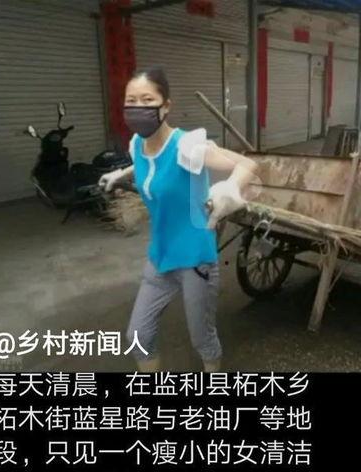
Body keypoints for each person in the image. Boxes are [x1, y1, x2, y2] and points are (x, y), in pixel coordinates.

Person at [99, 66, 258, 373]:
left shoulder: (189, 146)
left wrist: (229, 188)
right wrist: (121, 174)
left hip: (195, 260)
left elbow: (247, 165)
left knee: (202, 339)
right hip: (160, 257)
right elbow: (148, 162)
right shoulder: (136, 144)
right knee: (138, 337)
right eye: (131, 101)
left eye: (147, 100)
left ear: (166, 105)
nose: (138, 107)